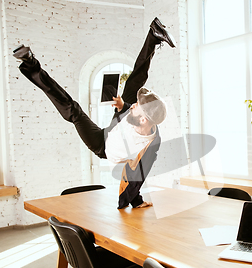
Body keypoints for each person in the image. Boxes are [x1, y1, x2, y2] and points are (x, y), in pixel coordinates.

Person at [13, 17, 176, 209]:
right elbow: (131, 108)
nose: (132, 105)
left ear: (143, 118)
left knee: (73, 111)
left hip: (102, 144)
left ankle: (33, 67)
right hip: (115, 128)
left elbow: (137, 175)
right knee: (134, 83)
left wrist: (135, 201)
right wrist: (124, 106)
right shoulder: (137, 114)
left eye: (135, 106)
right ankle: (154, 35)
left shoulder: (150, 145)